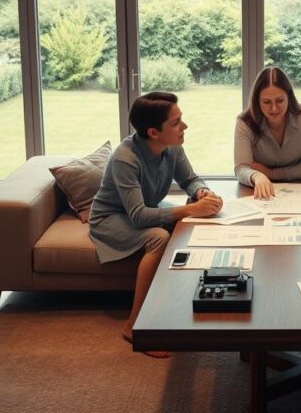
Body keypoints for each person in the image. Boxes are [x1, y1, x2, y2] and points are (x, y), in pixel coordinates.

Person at [88, 92, 223, 355]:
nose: (184, 126)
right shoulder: (124, 159)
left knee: (192, 222)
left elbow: (191, 179)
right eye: (176, 122)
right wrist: (189, 209)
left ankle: (187, 301)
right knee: (159, 237)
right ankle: (135, 326)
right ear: (153, 132)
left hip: (143, 209)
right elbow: (138, 216)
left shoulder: (172, 147)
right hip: (111, 217)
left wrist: (200, 193)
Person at [234, 67, 301, 198]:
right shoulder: (244, 122)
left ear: (289, 97)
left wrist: (271, 173)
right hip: (263, 190)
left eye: (280, 100)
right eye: (266, 102)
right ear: (257, 102)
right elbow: (241, 168)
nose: (274, 108)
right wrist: (256, 176)